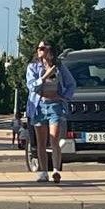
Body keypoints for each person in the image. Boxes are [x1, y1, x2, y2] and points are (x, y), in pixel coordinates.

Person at [26, 41, 76, 183]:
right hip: (38, 106)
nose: (41, 51)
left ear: (51, 51)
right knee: (41, 141)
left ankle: (55, 170)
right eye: (39, 48)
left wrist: (64, 97)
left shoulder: (59, 67)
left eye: (44, 48)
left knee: (54, 138)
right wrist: (45, 76)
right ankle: (43, 172)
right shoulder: (33, 67)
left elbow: (71, 83)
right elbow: (31, 86)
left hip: (55, 105)